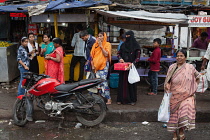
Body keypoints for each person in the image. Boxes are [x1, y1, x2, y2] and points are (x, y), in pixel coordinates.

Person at [164, 50, 200, 140]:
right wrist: (167, 85)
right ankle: (174, 134)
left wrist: (193, 87)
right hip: (174, 95)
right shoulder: (172, 67)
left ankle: (181, 131)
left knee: (183, 113)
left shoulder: (190, 67)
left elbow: (198, 77)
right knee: (174, 115)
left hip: (187, 95)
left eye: (181, 56)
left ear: (185, 57)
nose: (179, 57)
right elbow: (167, 79)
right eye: (178, 56)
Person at [117, 31, 140, 105]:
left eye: (128, 36)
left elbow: (138, 58)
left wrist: (132, 63)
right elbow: (118, 53)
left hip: (131, 68)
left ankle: (132, 100)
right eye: (125, 36)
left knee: (131, 83)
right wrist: (120, 58)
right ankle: (121, 99)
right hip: (123, 67)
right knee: (122, 83)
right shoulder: (123, 45)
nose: (126, 37)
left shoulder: (136, 46)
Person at [90, 32, 112, 105]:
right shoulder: (95, 45)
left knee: (104, 82)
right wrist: (92, 65)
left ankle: (108, 98)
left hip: (103, 65)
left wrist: (101, 46)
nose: (99, 38)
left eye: (101, 36)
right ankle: (100, 99)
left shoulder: (107, 44)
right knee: (97, 82)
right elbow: (92, 56)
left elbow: (106, 54)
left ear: (104, 37)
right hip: (96, 67)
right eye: (98, 36)